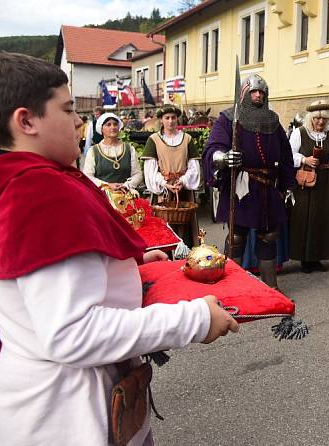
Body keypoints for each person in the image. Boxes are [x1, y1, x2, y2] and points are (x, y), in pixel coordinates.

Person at [0, 52, 238, 446]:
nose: (79, 121)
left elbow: (46, 287)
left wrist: (121, 268)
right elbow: (71, 332)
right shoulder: (40, 192)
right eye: (67, 109)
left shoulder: (17, 181)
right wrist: (196, 319)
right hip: (66, 420)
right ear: (26, 121)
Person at [203, 74, 296, 292]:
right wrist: (224, 158)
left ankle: (270, 287)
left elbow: (286, 156)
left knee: (268, 237)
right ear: (244, 93)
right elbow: (212, 148)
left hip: (267, 188)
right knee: (236, 237)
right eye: (254, 91)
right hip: (241, 187)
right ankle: (232, 287)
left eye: (261, 92)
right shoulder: (228, 118)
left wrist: (288, 185)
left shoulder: (272, 121)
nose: (258, 95)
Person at [288, 100, 329, 273]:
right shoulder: (299, 133)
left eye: (324, 119)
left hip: (324, 181)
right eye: (317, 118)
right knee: (304, 218)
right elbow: (288, 156)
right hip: (305, 181)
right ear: (311, 118)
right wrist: (304, 159)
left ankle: (317, 257)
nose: (320, 122)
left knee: (322, 218)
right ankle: (305, 259)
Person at [142, 104, 201, 246]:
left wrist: (183, 181)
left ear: (177, 119)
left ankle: (185, 255)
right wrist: (164, 183)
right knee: (162, 226)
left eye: (173, 118)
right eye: (166, 118)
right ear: (161, 120)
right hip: (163, 190)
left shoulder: (186, 139)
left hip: (183, 190)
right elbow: (150, 169)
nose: (170, 121)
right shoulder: (154, 140)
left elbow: (194, 166)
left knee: (186, 227)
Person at [82, 112, 143, 190]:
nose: (113, 127)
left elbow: (137, 174)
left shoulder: (129, 148)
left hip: (126, 195)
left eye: (115, 124)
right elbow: (88, 176)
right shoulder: (93, 151)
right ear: (101, 129)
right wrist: (107, 185)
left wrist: (126, 185)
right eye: (108, 125)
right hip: (102, 196)